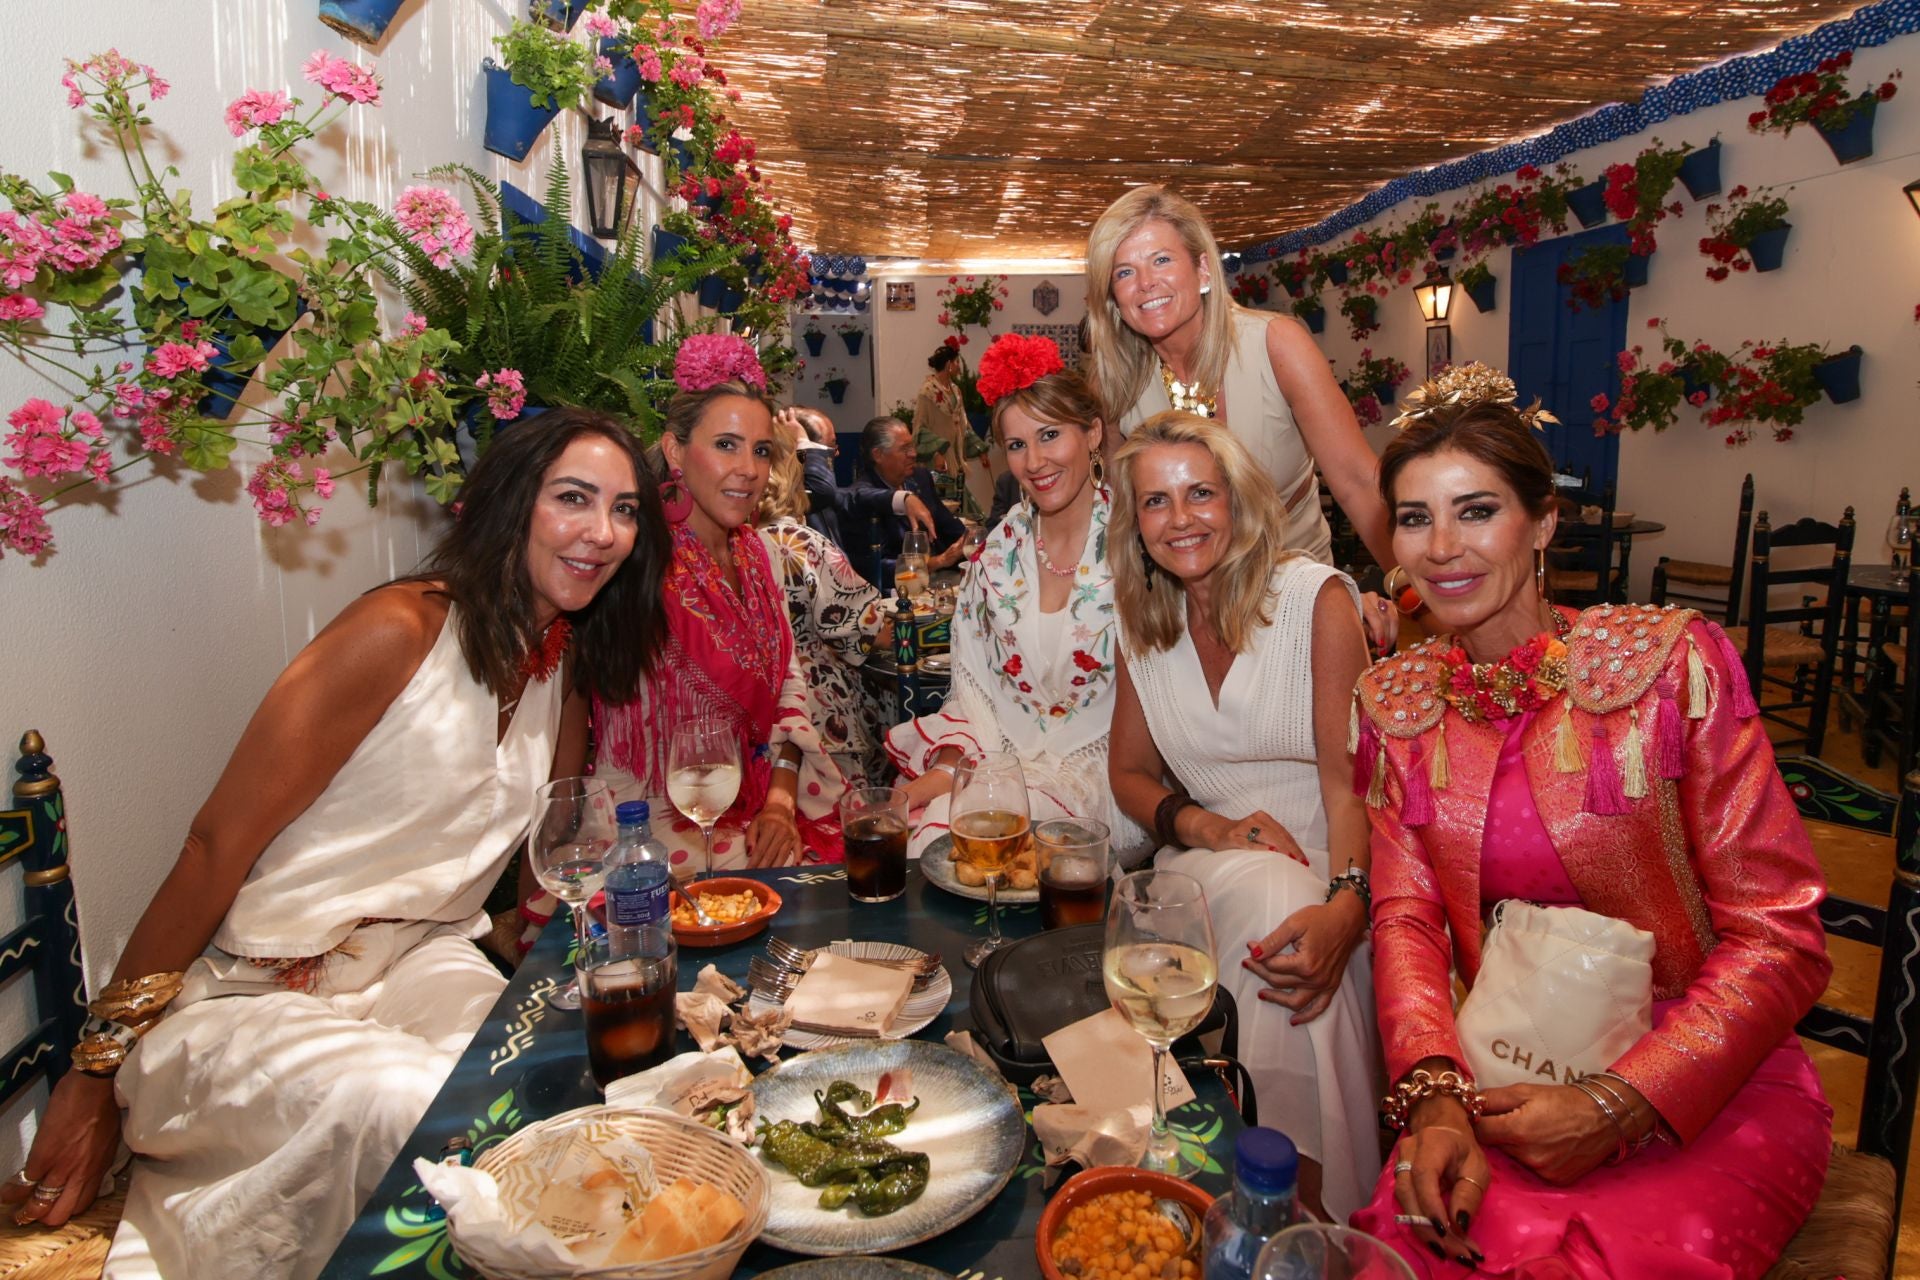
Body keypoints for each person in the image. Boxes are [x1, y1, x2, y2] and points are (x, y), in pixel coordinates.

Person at [1, 410, 669, 1279]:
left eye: (624, 511)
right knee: (406, 1101)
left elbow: (545, 845)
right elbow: (212, 848)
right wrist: (93, 1081)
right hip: (250, 992)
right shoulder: (397, 631)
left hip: (421, 962)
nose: (602, 533)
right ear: (509, 504)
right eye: (573, 499)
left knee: (547, 1082)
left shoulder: (563, 666)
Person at [1349, 365, 1832, 1277]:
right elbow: (1406, 921)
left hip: (1708, 1083)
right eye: (1416, 518)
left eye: (1477, 510)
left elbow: (1781, 937)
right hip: (1504, 1074)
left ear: (1544, 522)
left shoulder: (1667, 668)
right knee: (1405, 1253)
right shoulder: (1398, 707)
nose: (1444, 547)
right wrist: (1438, 1101)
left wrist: (1622, 1101)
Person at [1105, 409, 1382, 1222]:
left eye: (1200, 493)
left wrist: (1348, 904)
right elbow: (1127, 775)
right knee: (1265, 896)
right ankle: (1280, 1208)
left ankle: (1280, 1207)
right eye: (1156, 502)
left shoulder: (1315, 601)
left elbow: (1351, 786)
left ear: (1240, 501)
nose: (1180, 518)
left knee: (1284, 907)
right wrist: (1209, 828)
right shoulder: (1141, 624)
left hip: (1335, 873)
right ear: (1135, 524)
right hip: (1204, 874)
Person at [887, 333, 1146, 860]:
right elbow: (975, 705)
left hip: (1110, 783)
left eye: (1050, 435)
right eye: (1017, 444)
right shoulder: (996, 558)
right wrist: (919, 790)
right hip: (1003, 775)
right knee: (928, 840)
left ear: (1093, 433)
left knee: (993, 844)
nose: (1035, 462)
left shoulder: (1140, 544)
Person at [593, 337, 846, 870]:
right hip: (658, 811)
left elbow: (789, 688)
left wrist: (779, 802)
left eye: (760, 450)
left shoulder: (758, 552)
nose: (749, 470)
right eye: (726, 445)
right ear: (675, 451)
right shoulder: (634, 558)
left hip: (763, 794)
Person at [1085, 185, 1396, 576]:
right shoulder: (1116, 379)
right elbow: (1120, 508)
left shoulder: (1276, 345)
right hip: (1184, 602)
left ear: (1202, 271)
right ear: (1113, 296)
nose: (1145, 282)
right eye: (1124, 272)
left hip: (1293, 589)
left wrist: (1414, 592)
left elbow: (1357, 483)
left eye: (1161, 260)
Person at [757, 444, 891, 786]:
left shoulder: (737, 543)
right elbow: (860, 625)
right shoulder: (798, 542)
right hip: (816, 702)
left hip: (762, 701)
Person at [777, 404, 925, 553]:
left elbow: (854, 496)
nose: (836, 453)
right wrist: (803, 441)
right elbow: (823, 491)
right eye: (831, 446)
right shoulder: (784, 498)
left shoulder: (826, 495)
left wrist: (903, 498)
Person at [844, 415, 969, 590]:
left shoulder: (920, 477)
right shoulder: (863, 497)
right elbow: (874, 567)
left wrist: (970, 541)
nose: (914, 454)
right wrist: (937, 562)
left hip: (940, 579)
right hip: (897, 591)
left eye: (911, 446)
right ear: (878, 455)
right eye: (904, 449)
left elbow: (948, 525)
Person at [915, 343, 992, 518]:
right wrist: (937, 452)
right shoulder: (927, 392)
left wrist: (980, 450)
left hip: (955, 459)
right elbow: (920, 427)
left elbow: (963, 423)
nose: (958, 366)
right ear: (949, 364)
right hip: (938, 461)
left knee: (956, 503)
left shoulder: (956, 390)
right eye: (956, 362)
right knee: (946, 506)